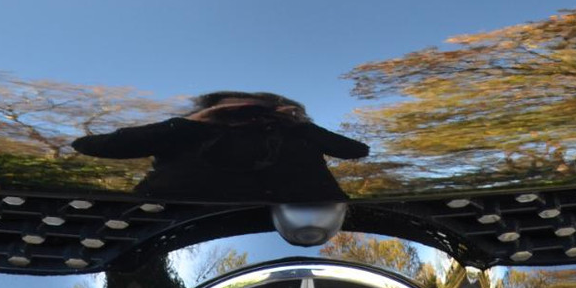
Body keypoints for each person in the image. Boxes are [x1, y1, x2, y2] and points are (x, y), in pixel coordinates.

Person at [72, 91, 369, 203]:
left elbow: (356, 151)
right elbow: (92, 146)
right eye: (231, 111)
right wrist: (190, 123)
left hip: (302, 226)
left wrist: (300, 124)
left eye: (257, 111)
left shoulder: (297, 134)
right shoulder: (184, 132)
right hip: (168, 220)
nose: (245, 118)